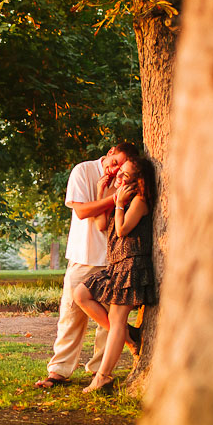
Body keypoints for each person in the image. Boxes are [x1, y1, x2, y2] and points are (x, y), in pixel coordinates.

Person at [35, 141, 139, 388]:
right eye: (114, 163)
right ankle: (58, 372)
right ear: (110, 152)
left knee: (108, 319)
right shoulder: (83, 171)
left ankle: (100, 371)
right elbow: (82, 212)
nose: (115, 171)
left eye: (120, 168)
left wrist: (111, 197)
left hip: (115, 258)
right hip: (83, 255)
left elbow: (104, 221)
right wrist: (114, 198)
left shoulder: (126, 176)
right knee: (71, 314)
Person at [73, 156, 158, 394]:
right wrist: (103, 191)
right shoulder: (123, 197)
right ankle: (129, 336)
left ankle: (103, 377)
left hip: (132, 264)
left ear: (137, 181)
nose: (118, 178)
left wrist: (118, 204)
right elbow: (102, 224)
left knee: (117, 319)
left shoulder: (139, 201)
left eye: (124, 176)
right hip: (116, 264)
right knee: (81, 294)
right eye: (119, 173)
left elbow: (121, 230)